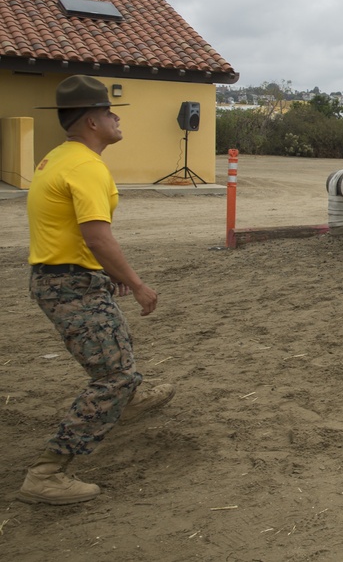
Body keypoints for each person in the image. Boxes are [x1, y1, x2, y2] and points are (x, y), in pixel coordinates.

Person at [20, 75, 175, 505]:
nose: (116, 118)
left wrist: (103, 275)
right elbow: (96, 236)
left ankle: (131, 398)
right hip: (67, 284)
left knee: (115, 343)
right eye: (109, 112)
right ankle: (46, 474)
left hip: (68, 277)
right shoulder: (87, 166)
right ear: (92, 122)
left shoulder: (58, 158)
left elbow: (69, 232)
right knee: (113, 375)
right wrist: (136, 283)